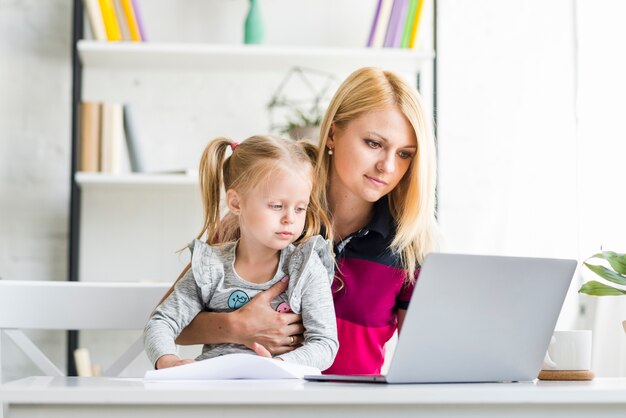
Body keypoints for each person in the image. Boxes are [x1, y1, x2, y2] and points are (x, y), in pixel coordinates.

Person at [166, 67, 439, 375]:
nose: (387, 166)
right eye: (373, 143)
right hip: (259, 402)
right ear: (333, 133)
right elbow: (171, 324)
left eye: (404, 154)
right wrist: (235, 326)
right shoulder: (270, 214)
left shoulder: (408, 247)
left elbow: (423, 364)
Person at [144, 135, 338, 371]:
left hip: (279, 393)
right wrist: (167, 360)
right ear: (236, 203)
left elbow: (325, 344)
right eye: (277, 206)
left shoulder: (306, 267)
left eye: (300, 208)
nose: (290, 218)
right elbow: (162, 321)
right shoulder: (210, 267)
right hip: (215, 390)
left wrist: (277, 366)